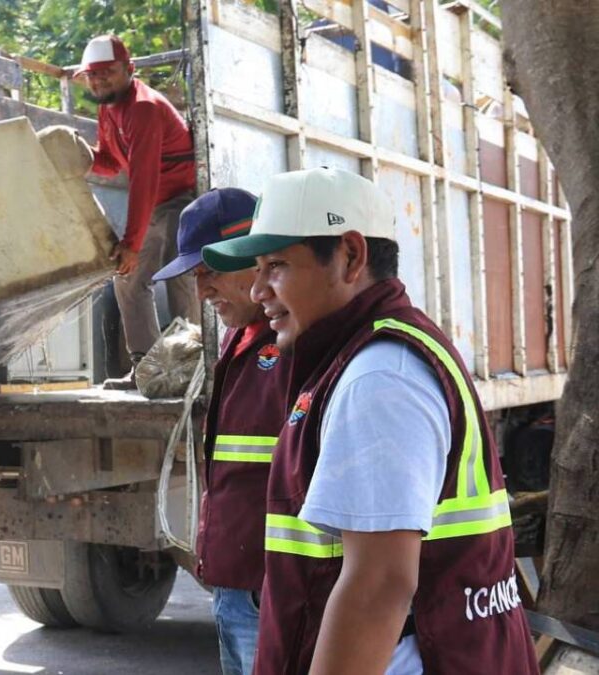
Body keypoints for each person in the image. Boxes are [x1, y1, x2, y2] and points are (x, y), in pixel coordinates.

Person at [202, 168, 538, 674]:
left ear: (351, 256)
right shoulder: (364, 357)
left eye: (276, 266)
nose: (258, 291)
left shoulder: (378, 377)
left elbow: (378, 586)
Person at [152, 188, 285, 675]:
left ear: (257, 258)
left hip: (270, 592)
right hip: (236, 587)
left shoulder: (297, 343)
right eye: (195, 276)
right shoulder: (237, 338)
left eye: (211, 271)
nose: (202, 290)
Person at [78, 34, 201, 382]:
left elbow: (144, 178)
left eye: (108, 72)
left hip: (181, 199)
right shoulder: (108, 106)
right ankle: (147, 370)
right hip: (155, 201)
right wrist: (78, 154)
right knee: (128, 278)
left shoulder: (143, 108)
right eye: (93, 74)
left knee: (180, 276)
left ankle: (191, 367)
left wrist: (131, 244)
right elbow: (110, 162)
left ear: (129, 69)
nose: (99, 80)